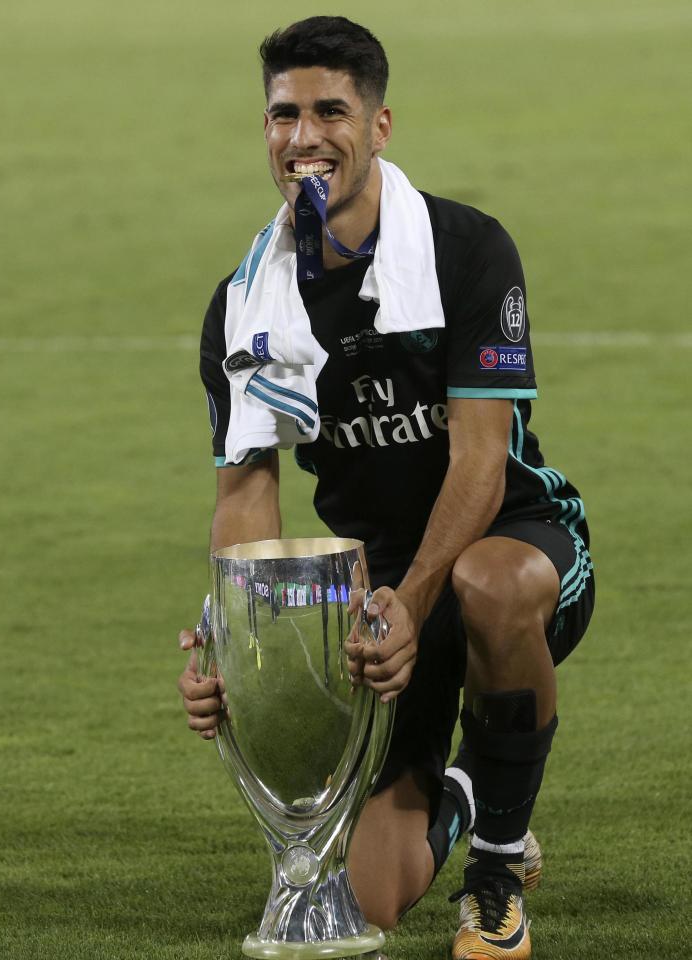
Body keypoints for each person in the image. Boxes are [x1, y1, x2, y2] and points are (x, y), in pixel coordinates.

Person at [177, 16, 594, 960]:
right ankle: (470, 783)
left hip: (513, 542)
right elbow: (246, 497)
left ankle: (494, 875)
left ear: (379, 125)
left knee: (489, 587)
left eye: (331, 110)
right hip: (374, 595)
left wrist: (414, 600)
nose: (303, 136)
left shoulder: (465, 250)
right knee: (369, 898)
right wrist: (232, 641)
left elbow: (481, 462)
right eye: (283, 114)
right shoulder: (249, 300)